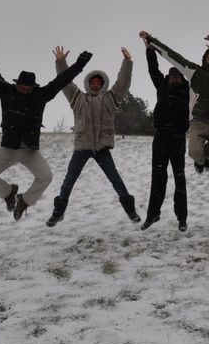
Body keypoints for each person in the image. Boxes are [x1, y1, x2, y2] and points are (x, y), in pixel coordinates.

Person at [0, 31, 91, 220]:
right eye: (22, 87)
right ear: (17, 84)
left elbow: (62, 80)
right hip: (9, 148)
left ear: (34, 88)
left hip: (30, 150)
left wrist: (81, 64)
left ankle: (24, 201)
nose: (24, 90)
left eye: (28, 88)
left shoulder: (40, 96)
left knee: (46, 177)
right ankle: (8, 193)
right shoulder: (6, 92)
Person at [45, 46, 140, 227]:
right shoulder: (77, 98)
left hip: (102, 148)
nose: (95, 85)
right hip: (82, 147)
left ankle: (131, 211)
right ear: (88, 84)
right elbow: (65, 81)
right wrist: (60, 62)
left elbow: (123, 82)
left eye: (98, 82)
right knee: (68, 182)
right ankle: (58, 213)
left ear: (102, 84)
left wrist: (127, 62)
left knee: (116, 180)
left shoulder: (111, 98)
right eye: (92, 82)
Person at [139, 31, 209, 174]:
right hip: (198, 122)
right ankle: (200, 160)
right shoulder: (195, 71)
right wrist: (151, 41)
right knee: (194, 152)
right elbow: (172, 55)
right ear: (204, 60)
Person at [140, 40, 190, 231]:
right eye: (172, 76)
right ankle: (152, 215)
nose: (174, 79)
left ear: (182, 79)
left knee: (180, 178)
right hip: (160, 137)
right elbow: (153, 69)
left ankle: (182, 218)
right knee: (158, 177)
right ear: (168, 79)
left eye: (178, 76)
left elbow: (193, 73)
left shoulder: (187, 90)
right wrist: (149, 48)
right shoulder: (162, 87)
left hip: (178, 138)